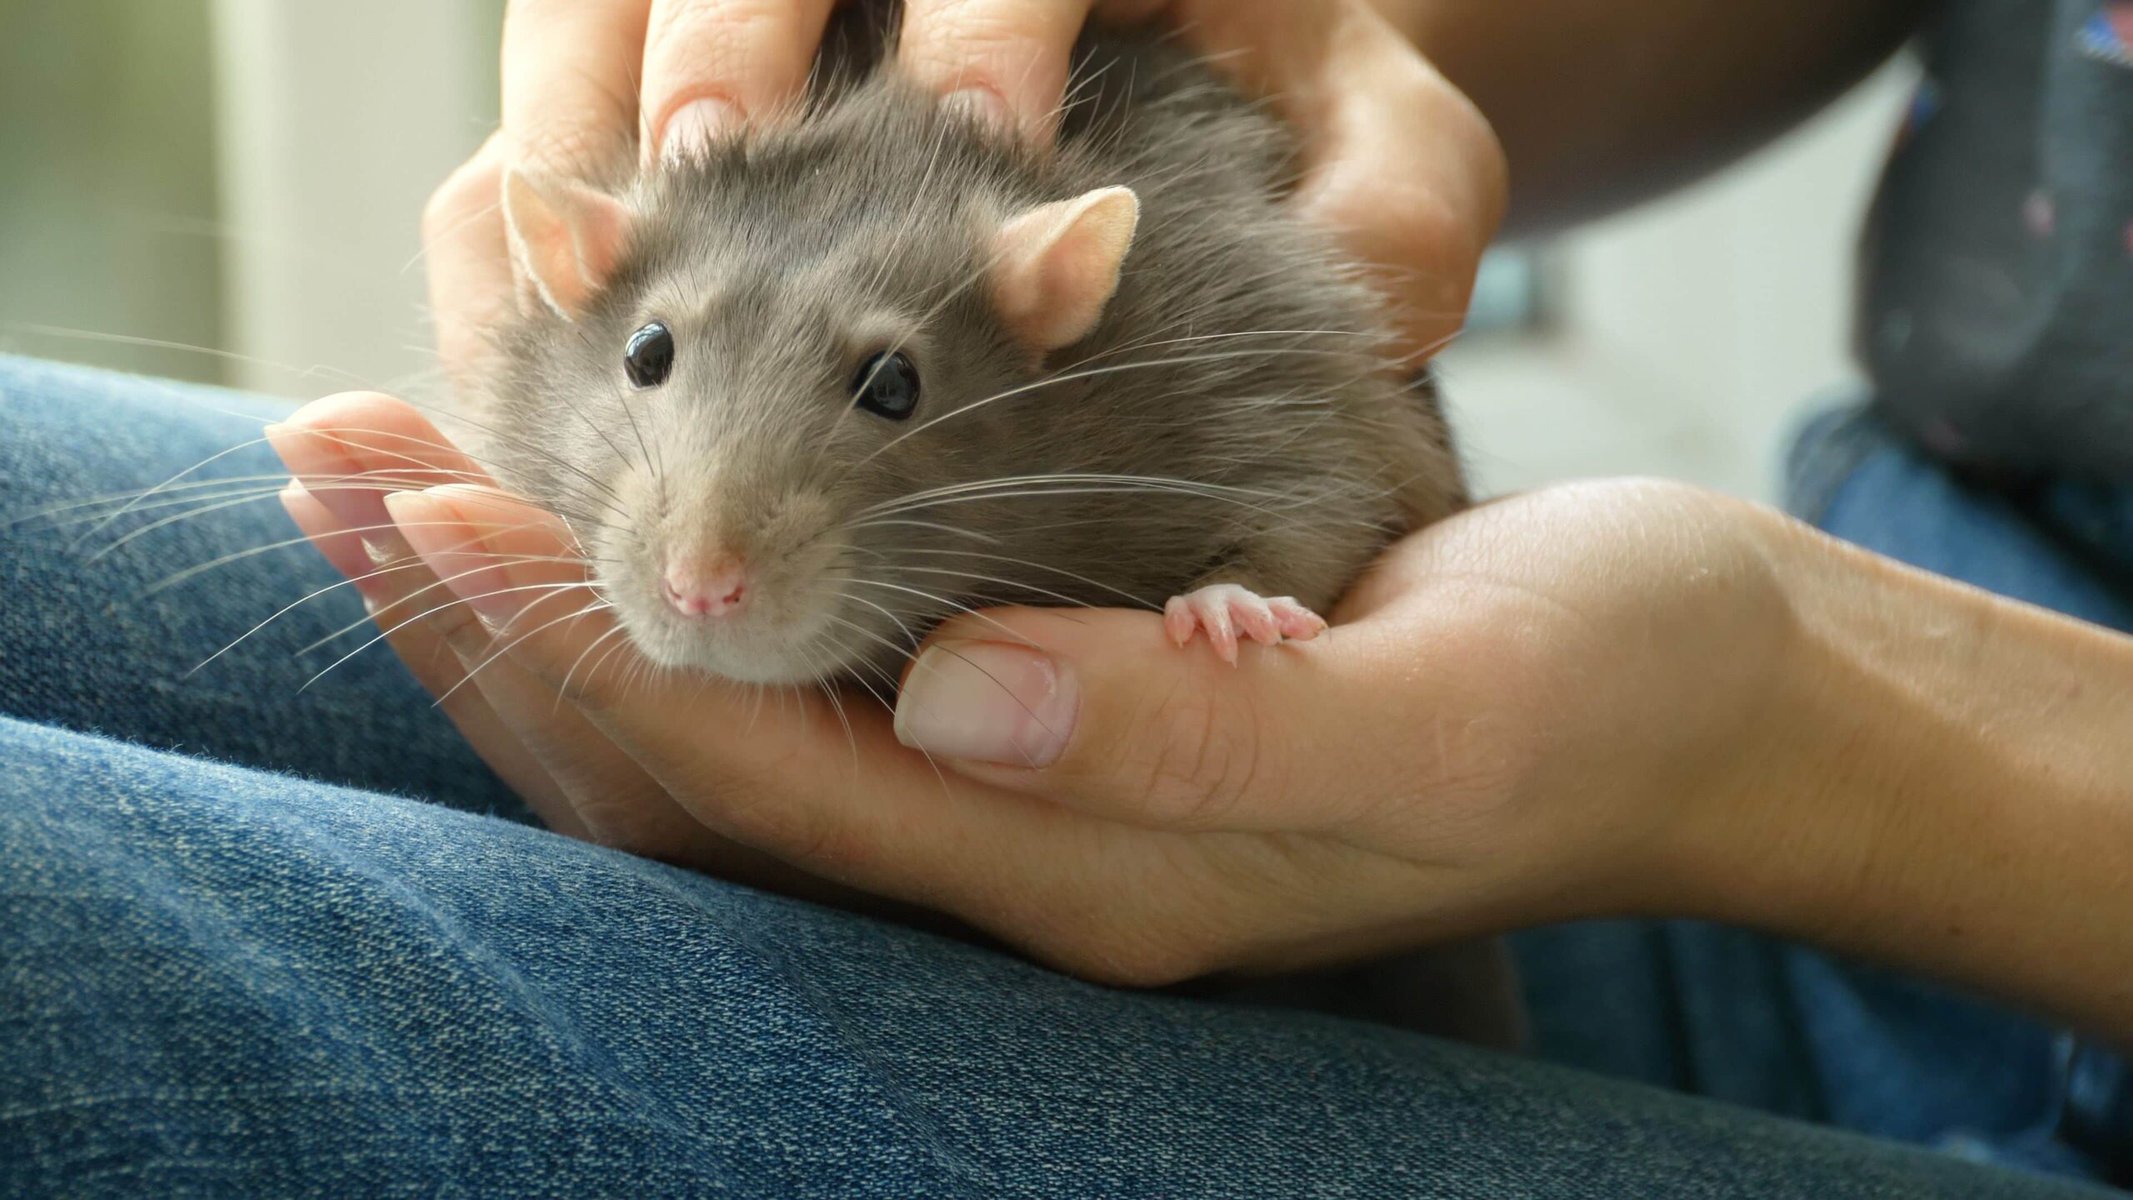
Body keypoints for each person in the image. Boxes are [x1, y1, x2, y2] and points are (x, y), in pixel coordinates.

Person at [2, 0, 2128, 1194]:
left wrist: (1788, 720)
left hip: (1931, 828)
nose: (703, 553)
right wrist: (1319, 37)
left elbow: (1304, 490)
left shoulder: (1147, 408)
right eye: (648, 364)